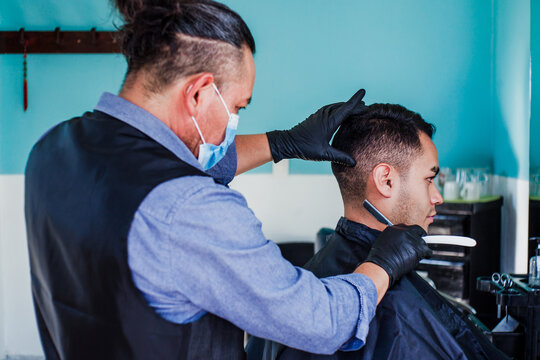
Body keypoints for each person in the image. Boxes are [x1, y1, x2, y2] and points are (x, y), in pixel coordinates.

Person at [24, 1, 432, 359]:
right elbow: (321, 321)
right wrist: (382, 263)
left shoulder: (52, 151)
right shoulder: (190, 210)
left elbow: (165, 171)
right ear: (199, 93)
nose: (235, 125)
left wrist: (282, 143)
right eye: (238, 107)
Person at [252, 103, 509, 360]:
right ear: (386, 181)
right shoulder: (397, 311)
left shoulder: (305, 286)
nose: (437, 197)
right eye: (429, 179)